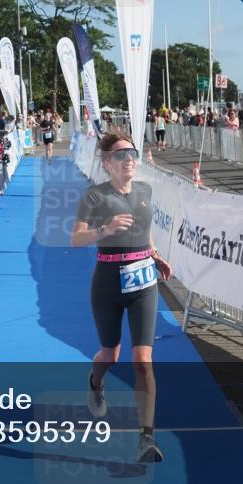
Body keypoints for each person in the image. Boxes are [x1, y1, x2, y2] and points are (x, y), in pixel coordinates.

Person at [71, 132, 173, 464]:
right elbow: (75, 239)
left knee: (143, 360)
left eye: (132, 152)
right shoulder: (95, 196)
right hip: (108, 281)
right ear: (106, 163)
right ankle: (95, 380)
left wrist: (154, 254)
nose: (129, 158)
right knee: (110, 354)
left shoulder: (145, 190)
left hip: (144, 280)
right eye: (120, 154)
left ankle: (147, 438)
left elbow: (145, 231)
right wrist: (105, 230)